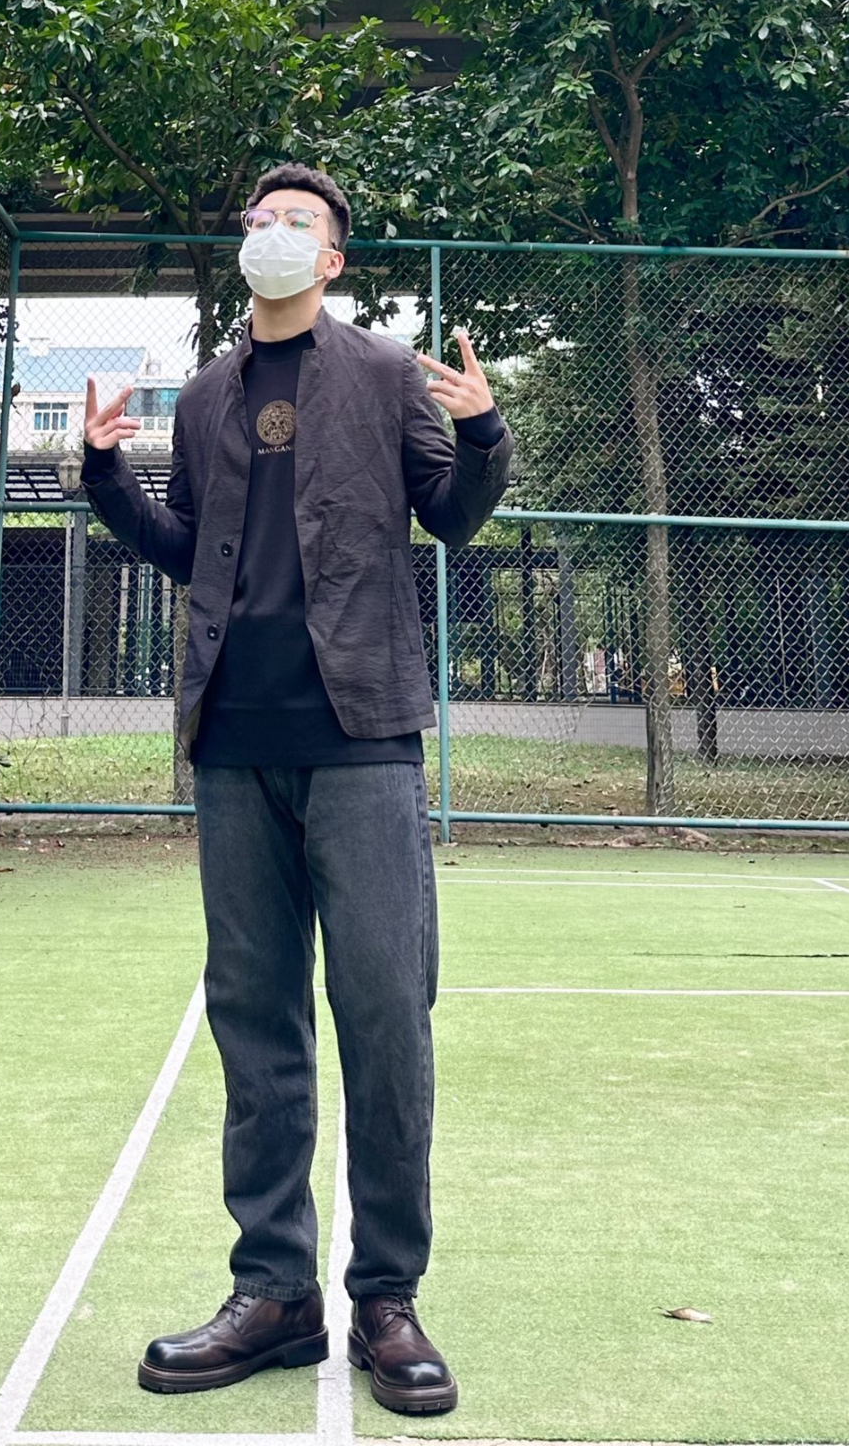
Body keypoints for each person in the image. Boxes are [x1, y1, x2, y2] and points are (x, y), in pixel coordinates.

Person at [80, 163, 513, 1417]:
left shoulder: (383, 376)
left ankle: (387, 1297)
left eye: (297, 223)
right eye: (259, 219)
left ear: (332, 260)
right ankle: (273, 1293)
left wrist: (484, 432)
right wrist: (105, 476)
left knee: (385, 1017)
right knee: (255, 1022)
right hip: (232, 745)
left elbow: (454, 517)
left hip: (362, 738)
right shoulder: (206, 394)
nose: (270, 232)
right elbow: (187, 551)